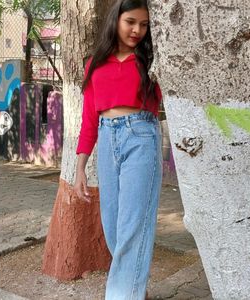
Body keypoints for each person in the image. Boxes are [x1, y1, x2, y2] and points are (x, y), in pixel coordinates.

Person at [74, 0, 163, 299]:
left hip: (141, 137)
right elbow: (88, 119)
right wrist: (80, 167)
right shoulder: (95, 63)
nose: (137, 30)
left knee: (132, 227)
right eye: (131, 22)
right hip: (106, 139)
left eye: (144, 24)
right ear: (116, 20)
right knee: (113, 227)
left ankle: (122, 294)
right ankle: (135, 288)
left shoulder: (151, 61)